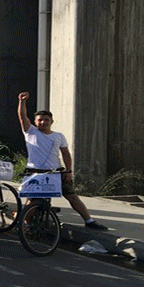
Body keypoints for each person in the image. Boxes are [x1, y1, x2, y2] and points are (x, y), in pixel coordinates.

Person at [17, 92, 108, 230]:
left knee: (72, 196)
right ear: (35, 122)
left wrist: (68, 171)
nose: (43, 122)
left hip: (55, 173)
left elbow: (65, 153)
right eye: (40, 120)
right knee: (32, 202)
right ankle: (26, 224)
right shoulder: (31, 132)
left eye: (46, 120)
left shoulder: (59, 136)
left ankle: (89, 221)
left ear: (51, 122)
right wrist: (22, 102)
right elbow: (22, 116)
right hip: (35, 173)